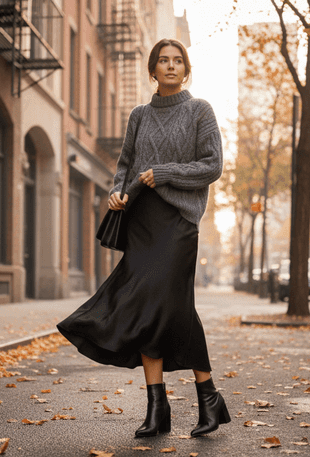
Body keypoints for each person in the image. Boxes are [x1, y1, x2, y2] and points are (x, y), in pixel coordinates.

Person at [57, 38, 228, 438]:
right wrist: (118, 190)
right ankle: (160, 407)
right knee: (152, 307)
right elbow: (125, 164)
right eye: (162, 61)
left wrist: (166, 173)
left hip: (179, 221)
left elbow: (213, 165)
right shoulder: (139, 115)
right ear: (152, 70)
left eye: (177, 60)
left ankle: (209, 398)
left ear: (186, 69)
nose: (170, 66)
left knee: (171, 305)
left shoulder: (200, 110)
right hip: (140, 220)